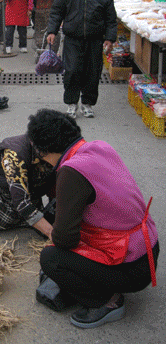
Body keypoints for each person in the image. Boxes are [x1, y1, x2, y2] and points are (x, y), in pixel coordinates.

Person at [27, 108, 159, 329]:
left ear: (46, 150)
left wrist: (52, 229)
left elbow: (64, 239)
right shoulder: (99, 147)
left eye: (39, 153)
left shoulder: (70, 171)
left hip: (133, 267)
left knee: (51, 259)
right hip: (148, 250)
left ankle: (107, 303)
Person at [46, 0, 117, 119]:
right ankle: (71, 103)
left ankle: (87, 104)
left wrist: (110, 38)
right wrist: (52, 31)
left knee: (92, 73)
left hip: (95, 40)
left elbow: (110, 17)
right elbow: (57, 11)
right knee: (71, 71)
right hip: (72, 39)